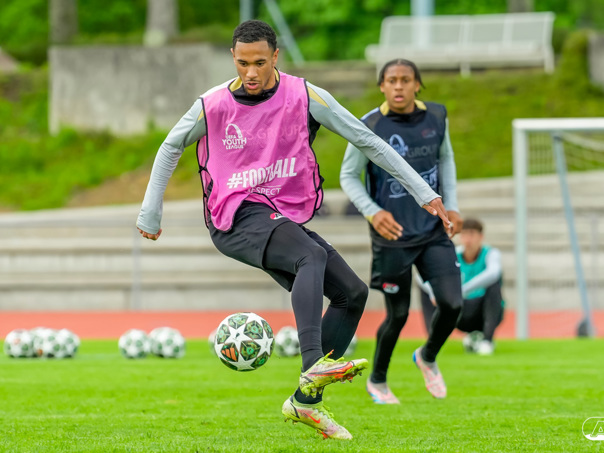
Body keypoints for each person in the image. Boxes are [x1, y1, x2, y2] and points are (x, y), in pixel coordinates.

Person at [136, 22, 451, 439]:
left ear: (275, 56)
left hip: (274, 214)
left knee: (352, 294)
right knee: (311, 255)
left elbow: (367, 140)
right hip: (233, 215)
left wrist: (424, 192)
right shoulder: (212, 104)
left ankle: (305, 401)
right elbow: (170, 145)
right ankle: (314, 363)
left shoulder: (305, 96)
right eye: (242, 63)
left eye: (259, 62)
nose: (251, 72)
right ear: (233, 58)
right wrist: (150, 213)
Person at [340, 59, 463, 404]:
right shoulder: (368, 125)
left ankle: (427, 356)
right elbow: (348, 176)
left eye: (405, 80)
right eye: (391, 80)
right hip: (392, 234)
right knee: (398, 314)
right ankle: (378, 381)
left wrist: (452, 205)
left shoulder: (437, 116)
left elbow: (446, 160)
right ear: (382, 86)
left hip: (432, 229)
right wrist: (372, 211)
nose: (398, 86)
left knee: (453, 303)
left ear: (417, 84)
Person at [420, 218, 504, 355]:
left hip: (482, 310)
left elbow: (494, 273)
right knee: (427, 286)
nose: (468, 239)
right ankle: (432, 341)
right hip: (458, 309)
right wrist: (433, 292)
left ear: (480, 237)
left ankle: (487, 342)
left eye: (472, 234)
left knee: (493, 284)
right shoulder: (452, 255)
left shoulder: (491, 253)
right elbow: (421, 276)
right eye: (464, 234)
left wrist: (462, 290)